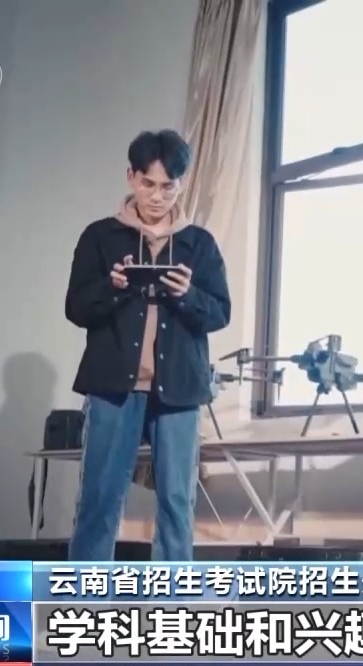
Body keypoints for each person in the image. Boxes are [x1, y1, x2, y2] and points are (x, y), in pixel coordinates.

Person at [64, 129, 231, 561]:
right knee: (100, 496)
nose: (157, 196)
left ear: (181, 184)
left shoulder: (199, 244)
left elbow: (220, 313)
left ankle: (172, 594)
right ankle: (84, 593)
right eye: (148, 184)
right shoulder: (100, 237)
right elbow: (76, 307)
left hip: (179, 389)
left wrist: (188, 294)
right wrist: (113, 287)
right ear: (131, 177)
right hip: (113, 387)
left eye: (168, 186)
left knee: (176, 499)